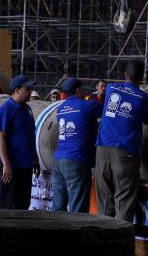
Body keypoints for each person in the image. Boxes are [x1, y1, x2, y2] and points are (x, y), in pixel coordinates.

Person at [95, 61, 148, 222]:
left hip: (102, 149)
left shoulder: (111, 88)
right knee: (124, 202)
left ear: (124, 75)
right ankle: (119, 243)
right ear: (142, 78)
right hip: (126, 153)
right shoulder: (145, 98)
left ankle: (102, 241)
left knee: (105, 201)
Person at [52, 77, 103, 213]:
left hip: (58, 160)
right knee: (78, 208)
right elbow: (106, 109)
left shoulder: (60, 108)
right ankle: (75, 234)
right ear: (78, 90)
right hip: (76, 160)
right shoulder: (87, 105)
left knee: (58, 206)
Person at [0, 75, 39, 209]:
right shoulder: (5, 109)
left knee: (23, 203)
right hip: (10, 165)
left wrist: (35, 158)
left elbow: (29, 135)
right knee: (7, 203)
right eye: (27, 89)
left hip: (25, 165)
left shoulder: (27, 109)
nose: (30, 91)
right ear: (17, 90)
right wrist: (6, 164)